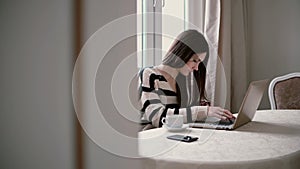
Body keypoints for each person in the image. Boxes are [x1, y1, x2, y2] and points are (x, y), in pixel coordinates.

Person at [139, 29, 234, 129]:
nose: (196, 68)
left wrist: (214, 116)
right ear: (181, 53)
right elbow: (158, 117)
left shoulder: (183, 82)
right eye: (194, 61)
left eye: (199, 63)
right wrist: (203, 111)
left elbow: (180, 117)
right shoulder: (150, 75)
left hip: (171, 137)